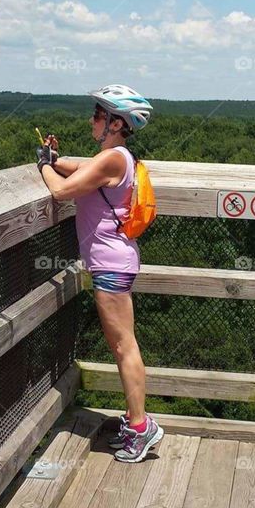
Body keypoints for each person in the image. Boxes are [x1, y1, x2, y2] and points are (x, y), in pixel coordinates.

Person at [35, 84, 163, 464]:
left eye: (97, 114)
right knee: (125, 344)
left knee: (124, 346)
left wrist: (42, 165)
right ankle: (137, 422)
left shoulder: (113, 159)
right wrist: (54, 158)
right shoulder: (113, 157)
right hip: (115, 262)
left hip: (110, 265)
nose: (92, 119)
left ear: (115, 122)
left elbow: (61, 191)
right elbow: (75, 169)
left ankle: (141, 427)